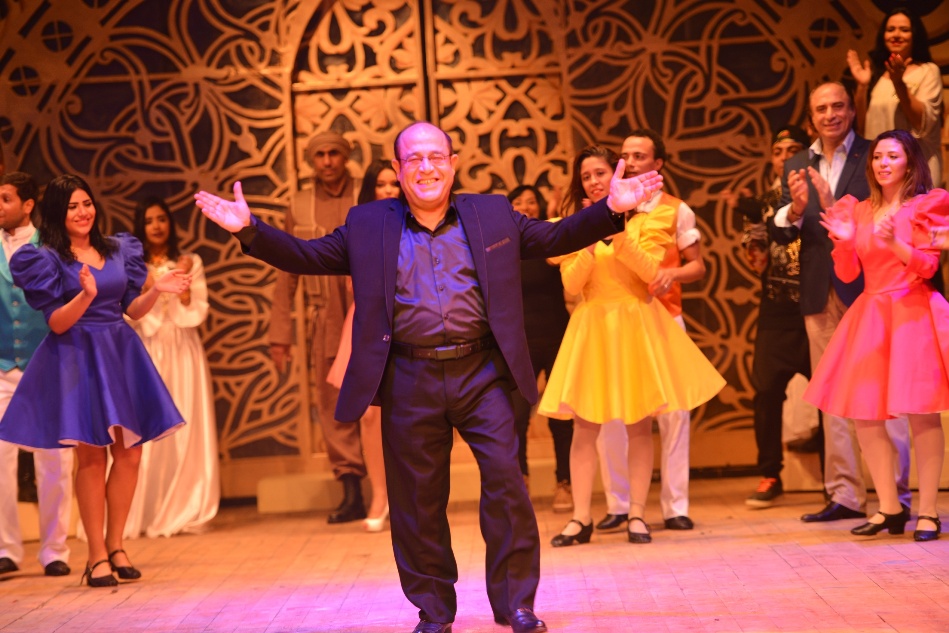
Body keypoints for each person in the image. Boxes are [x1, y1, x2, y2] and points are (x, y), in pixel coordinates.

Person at [195, 120, 663, 633]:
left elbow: (556, 235)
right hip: (409, 376)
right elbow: (307, 256)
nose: (426, 167)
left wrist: (611, 210)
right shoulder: (368, 223)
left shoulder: (491, 213)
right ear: (399, 170)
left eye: (436, 156)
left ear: (453, 164)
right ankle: (435, 612)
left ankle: (515, 603)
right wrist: (249, 229)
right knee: (417, 501)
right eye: (414, 159)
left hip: (482, 373)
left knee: (507, 483)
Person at [0, 174, 189, 587]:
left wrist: (157, 289)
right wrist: (84, 296)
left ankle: (117, 545)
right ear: (57, 213)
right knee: (91, 457)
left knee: (130, 453)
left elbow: (131, 310)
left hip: (119, 352)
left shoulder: (119, 249)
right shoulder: (46, 258)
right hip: (78, 356)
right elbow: (57, 322)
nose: (83, 212)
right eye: (72, 207)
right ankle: (96, 555)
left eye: (86, 203)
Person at [538, 144, 723, 547]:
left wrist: (618, 234)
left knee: (639, 424)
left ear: (617, 175)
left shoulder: (646, 220)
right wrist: (589, 239)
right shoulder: (571, 226)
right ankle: (580, 517)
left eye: (600, 173)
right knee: (585, 426)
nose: (593, 181)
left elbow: (650, 275)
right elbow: (571, 284)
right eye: (586, 176)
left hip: (636, 321)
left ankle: (637, 513)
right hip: (592, 326)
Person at [770, 82, 912, 523]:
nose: (830, 115)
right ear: (811, 117)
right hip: (819, 288)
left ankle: (897, 496)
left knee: (886, 395)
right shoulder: (797, 163)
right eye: (821, 109)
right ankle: (845, 494)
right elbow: (780, 231)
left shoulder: (876, 154)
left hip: (874, 288)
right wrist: (796, 209)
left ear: (852, 111)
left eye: (838, 106)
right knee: (833, 395)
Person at [806, 130, 948, 541]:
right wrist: (845, 243)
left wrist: (896, 243)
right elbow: (849, 273)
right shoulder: (860, 209)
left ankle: (928, 512)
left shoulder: (925, 205)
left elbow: (927, 267)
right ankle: (889, 507)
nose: (883, 163)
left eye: (892, 156)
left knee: (922, 414)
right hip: (871, 312)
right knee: (865, 414)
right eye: (878, 157)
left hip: (912, 311)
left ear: (910, 162)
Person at [594, 130, 707, 534]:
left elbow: (698, 265)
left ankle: (675, 505)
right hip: (617, 324)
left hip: (664, 318)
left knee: (673, 414)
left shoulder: (676, 209)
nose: (631, 161)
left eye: (640, 155)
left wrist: (672, 274)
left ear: (658, 163)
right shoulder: (609, 208)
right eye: (625, 155)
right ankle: (619, 504)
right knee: (612, 414)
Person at [269, 131, 366, 524]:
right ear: (311, 160)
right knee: (334, 404)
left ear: (345, 157)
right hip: (325, 317)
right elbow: (287, 270)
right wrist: (280, 336)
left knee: (383, 400)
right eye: (320, 154)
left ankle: (392, 489)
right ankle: (352, 490)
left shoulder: (366, 195)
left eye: (334, 153)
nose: (327, 161)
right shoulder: (299, 204)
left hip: (370, 312)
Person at [725, 125, 814, 508]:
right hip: (776, 310)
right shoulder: (762, 202)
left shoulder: (823, 195)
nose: (784, 158)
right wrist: (755, 225)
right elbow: (758, 263)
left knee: (831, 395)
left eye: (793, 150)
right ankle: (769, 474)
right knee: (765, 393)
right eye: (778, 152)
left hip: (816, 308)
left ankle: (839, 476)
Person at [124, 196, 219, 537]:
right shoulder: (132, 265)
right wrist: (148, 285)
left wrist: (183, 286)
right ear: (141, 225)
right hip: (147, 347)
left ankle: (186, 505)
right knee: (148, 426)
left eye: (161, 219)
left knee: (187, 422)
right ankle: (145, 510)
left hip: (182, 348)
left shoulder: (189, 261)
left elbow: (197, 310)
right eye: (149, 220)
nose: (156, 226)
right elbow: (127, 312)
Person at [0, 172, 74, 577]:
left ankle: (54, 549)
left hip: (45, 365)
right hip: (1, 367)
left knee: (54, 461)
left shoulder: (52, 246)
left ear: (28, 205)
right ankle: (6, 548)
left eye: (5, 199)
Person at [326, 159, 400, 531]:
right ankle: (380, 495)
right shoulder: (358, 225)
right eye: (381, 184)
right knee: (370, 414)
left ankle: (406, 496)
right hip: (367, 319)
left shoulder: (416, 222)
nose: (388, 190)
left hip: (406, 319)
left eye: (393, 183)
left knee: (408, 412)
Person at [506, 184, 573, 512]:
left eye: (531, 201)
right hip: (519, 342)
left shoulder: (550, 240)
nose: (525, 206)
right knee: (516, 416)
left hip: (558, 336)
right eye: (518, 202)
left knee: (561, 416)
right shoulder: (502, 245)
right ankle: (521, 481)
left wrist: (556, 212)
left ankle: (565, 483)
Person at [846, 6, 943, 186]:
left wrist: (899, 84)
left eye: (904, 30)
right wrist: (862, 85)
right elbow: (863, 127)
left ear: (915, 35)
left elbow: (923, 124)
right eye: (890, 29)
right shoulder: (878, 75)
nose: (896, 35)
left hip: (915, 172)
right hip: (882, 172)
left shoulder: (928, 71)